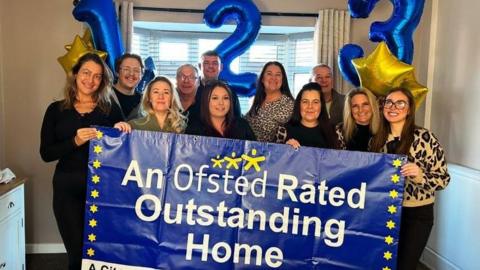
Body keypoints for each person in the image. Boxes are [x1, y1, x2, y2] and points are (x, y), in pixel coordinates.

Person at [40, 53, 123, 270]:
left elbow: (124, 148)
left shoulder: (111, 109)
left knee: (102, 254)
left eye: (97, 76)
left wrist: (125, 129)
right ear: (75, 74)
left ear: (102, 81)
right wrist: (74, 141)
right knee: (77, 256)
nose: (91, 80)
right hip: (67, 190)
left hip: (103, 192)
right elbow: (46, 153)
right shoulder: (56, 110)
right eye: (86, 73)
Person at [370, 88, 450, 270]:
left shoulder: (425, 138)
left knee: (406, 265)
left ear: (409, 109)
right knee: (384, 264)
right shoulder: (376, 140)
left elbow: (443, 179)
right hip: (385, 212)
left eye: (400, 103)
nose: (393, 107)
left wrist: (420, 175)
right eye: (389, 102)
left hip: (416, 214)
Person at [186, 80, 255, 140]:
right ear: (205, 102)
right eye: (215, 98)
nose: (221, 103)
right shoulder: (194, 130)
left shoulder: (242, 126)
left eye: (225, 98)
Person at [114, 76, 187, 133]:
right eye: (156, 92)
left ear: (172, 98)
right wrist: (117, 132)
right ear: (149, 98)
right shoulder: (133, 126)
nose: (161, 96)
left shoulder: (182, 127)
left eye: (166, 92)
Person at [275, 82, 337, 149]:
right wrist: (284, 149)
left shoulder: (335, 132)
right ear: (299, 104)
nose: (310, 106)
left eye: (315, 102)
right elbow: (273, 157)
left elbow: (343, 158)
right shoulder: (283, 131)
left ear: (321, 105)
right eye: (305, 101)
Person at [246, 61, 294, 142]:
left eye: (278, 75)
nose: (273, 78)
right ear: (262, 79)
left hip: (272, 152)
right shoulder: (257, 101)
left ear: (283, 80)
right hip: (251, 151)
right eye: (269, 74)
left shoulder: (289, 105)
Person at [197, 50, 241, 117]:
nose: (211, 66)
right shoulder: (191, 89)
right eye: (206, 63)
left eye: (215, 63)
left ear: (221, 67)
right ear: (200, 66)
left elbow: (237, 117)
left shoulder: (229, 91)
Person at [113, 53, 144, 120]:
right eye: (126, 69)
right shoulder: (103, 96)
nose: (131, 74)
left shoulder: (144, 101)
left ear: (141, 75)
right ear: (117, 72)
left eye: (136, 70)